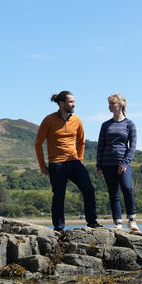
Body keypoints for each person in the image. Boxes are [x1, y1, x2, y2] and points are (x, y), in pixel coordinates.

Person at [34, 90, 100, 231]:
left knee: (88, 189)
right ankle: (58, 227)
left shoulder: (77, 120)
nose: (73, 104)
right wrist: (42, 165)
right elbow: (38, 143)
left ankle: (92, 222)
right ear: (61, 103)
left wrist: (80, 159)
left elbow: (81, 142)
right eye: (71, 102)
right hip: (56, 163)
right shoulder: (49, 120)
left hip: (74, 162)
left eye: (74, 102)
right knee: (59, 196)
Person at [96, 93, 138, 230]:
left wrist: (125, 163)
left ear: (120, 105)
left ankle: (132, 220)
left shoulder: (129, 124)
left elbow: (132, 146)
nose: (110, 106)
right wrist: (99, 166)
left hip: (123, 163)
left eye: (112, 103)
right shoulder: (105, 125)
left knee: (127, 188)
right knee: (113, 193)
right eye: (109, 104)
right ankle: (118, 222)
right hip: (107, 164)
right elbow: (100, 146)